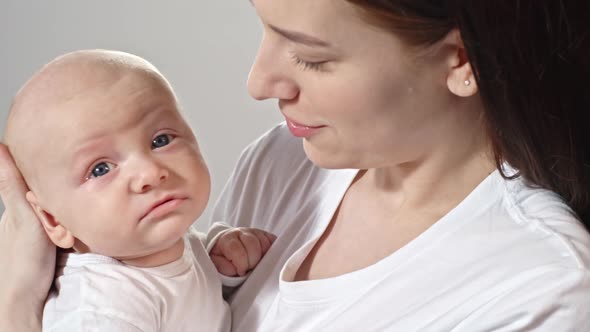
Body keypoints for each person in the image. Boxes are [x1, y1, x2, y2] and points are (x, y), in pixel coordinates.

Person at [2, 0, 590, 331]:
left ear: (462, 59)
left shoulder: (537, 293)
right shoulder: (286, 161)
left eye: (310, 56)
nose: (258, 83)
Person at [2, 49, 275, 331]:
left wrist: (221, 263)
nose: (150, 173)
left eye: (161, 140)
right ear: (53, 220)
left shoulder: (165, 244)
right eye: (100, 169)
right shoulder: (103, 309)